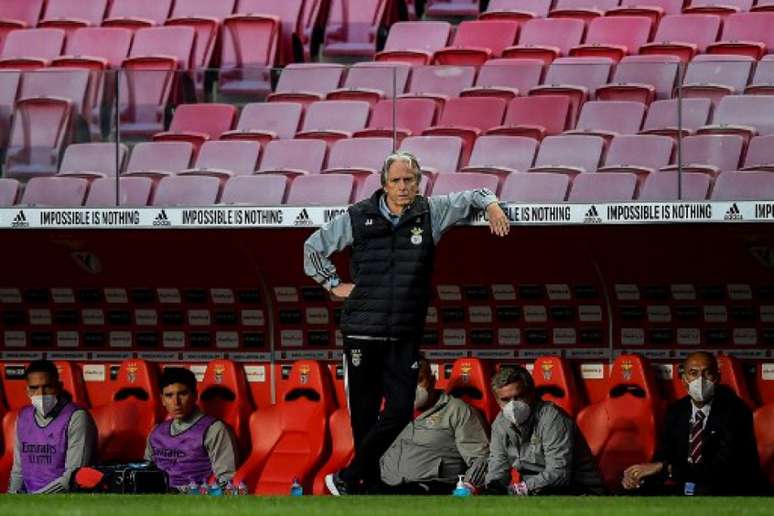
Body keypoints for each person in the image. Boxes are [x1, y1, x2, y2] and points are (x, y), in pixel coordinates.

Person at [304, 151, 510, 495]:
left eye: (409, 180)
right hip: (361, 332)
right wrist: (333, 284)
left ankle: (347, 476)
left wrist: (492, 207)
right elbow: (312, 248)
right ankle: (364, 485)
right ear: (384, 183)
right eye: (396, 181)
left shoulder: (432, 211)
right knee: (364, 416)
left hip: (404, 333)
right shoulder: (358, 216)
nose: (403, 187)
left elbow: (477, 194)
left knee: (400, 411)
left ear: (419, 181)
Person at [621, 351, 763, 495]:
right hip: (685, 487)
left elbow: (721, 468)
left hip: (727, 489)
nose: (700, 380)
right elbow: (662, 457)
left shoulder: (736, 411)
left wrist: (666, 468)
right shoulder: (675, 411)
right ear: (683, 380)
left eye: (707, 373)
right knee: (631, 493)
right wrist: (639, 476)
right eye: (693, 373)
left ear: (718, 378)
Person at [485, 366, 604, 496]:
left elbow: (559, 474)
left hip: (579, 490)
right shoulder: (500, 423)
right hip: (536, 492)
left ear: (531, 394)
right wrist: (493, 487)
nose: (512, 405)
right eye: (505, 400)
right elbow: (497, 465)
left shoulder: (552, 417)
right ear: (497, 401)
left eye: (519, 397)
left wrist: (516, 490)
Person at [379, 356, 490, 494]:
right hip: (384, 489)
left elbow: (481, 458)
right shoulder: (390, 412)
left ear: (432, 380)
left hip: (430, 491)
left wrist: (466, 489)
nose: (411, 388)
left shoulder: (457, 410)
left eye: (419, 380)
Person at [8, 360, 97, 494]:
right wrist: (12, 499)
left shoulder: (77, 417)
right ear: (27, 391)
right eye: (34, 388)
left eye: (47, 387)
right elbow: (18, 471)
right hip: (27, 502)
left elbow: (73, 476)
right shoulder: (22, 417)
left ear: (59, 386)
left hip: (64, 501)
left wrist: (34, 500)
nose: (41, 393)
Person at [145, 367, 238, 491]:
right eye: (169, 395)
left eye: (183, 394)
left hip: (195, 502)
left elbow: (226, 481)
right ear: (162, 399)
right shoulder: (156, 433)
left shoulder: (214, 429)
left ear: (195, 395)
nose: (176, 402)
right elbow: (144, 475)